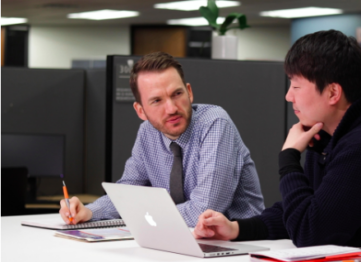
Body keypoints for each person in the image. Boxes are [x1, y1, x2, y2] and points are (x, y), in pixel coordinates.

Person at [193, 30, 361, 261]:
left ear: (333, 93)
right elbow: (304, 211)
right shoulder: (328, 131)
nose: (288, 96)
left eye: (296, 86)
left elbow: (309, 232)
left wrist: (289, 159)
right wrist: (236, 229)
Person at [59, 52, 265, 227]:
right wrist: (89, 211)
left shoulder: (215, 124)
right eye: (157, 100)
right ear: (140, 110)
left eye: (177, 94)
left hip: (241, 243)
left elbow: (205, 210)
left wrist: (143, 216)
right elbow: (129, 192)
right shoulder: (147, 133)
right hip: (179, 238)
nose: (172, 108)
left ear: (189, 92)